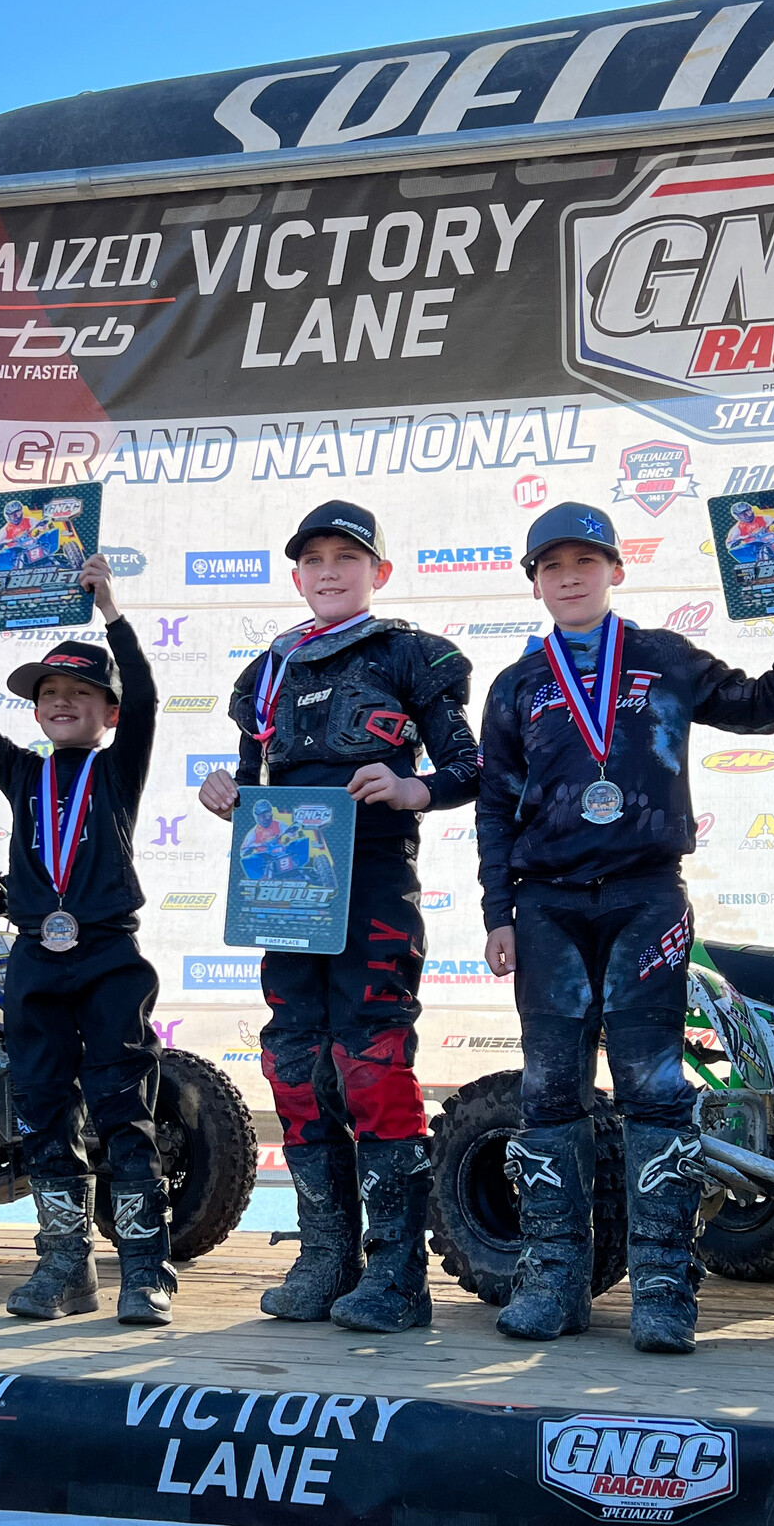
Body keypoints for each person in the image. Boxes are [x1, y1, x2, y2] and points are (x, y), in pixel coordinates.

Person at [476, 502, 774, 1354]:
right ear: (535, 582)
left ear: (616, 570)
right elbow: (493, 808)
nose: (570, 576)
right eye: (552, 566)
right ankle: (554, 1281)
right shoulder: (516, 685)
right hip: (546, 907)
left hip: (646, 897)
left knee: (655, 1088)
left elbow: (762, 708)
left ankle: (663, 1284)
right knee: (550, 1090)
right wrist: (496, 913)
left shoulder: (661, 658)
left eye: (586, 560)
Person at [198, 500, 479, 1334]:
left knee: (372, 1054)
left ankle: (397, 1273)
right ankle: (325, 1255)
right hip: (285, 880)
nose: (328, 571)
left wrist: (412, 788)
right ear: (295, 575)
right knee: (292, 1056)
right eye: (313, 559)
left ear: (378, 573)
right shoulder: (270, 669)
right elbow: (250, 778)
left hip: (374, 880)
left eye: (346, 558)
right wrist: (226, 794)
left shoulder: (413, 656)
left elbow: (467, 766)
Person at [0, 554, 173, 1327]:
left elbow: (146, 695)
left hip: (108, 955)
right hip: (36, 956)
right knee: (40, 1109)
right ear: (37, 712)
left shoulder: (117, 769)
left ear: (106, 713)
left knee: (120, 1106)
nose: (63, 702)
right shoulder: (19, 772)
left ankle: (145, 1271)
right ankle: (64, 1269)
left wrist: (112, 608)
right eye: (50, 694)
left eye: (81, 693)